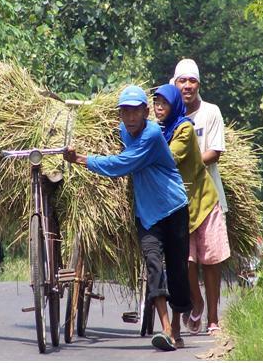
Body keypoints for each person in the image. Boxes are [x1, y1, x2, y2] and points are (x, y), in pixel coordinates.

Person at [63, 85, 192, 351]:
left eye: (136, 112)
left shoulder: (153, 134)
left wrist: (81, 159)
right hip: (147, 214)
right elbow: (108, 137)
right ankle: (166, 330)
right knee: (154, 264)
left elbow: (121, 164)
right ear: (120, 115)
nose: (130, 118)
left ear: (146, 112)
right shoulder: (122, 130)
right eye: (125, 112)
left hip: (174, 207)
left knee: (178, 270)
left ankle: (176, 327)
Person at [170, 59, 230, 335]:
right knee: (186, 259)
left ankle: (214, 319)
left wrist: (183, 163)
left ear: (198, 84)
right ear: (175, 84)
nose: (187, 86)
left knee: (211, 259)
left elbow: (215, 152)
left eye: (191, 81)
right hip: (177, 197)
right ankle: (196, 300)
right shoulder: (168, 114)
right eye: (182, 81)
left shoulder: (211, 113)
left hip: (208, 195)